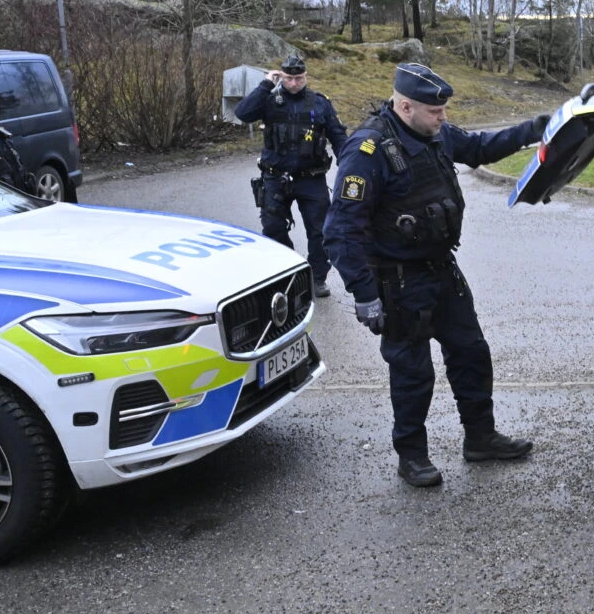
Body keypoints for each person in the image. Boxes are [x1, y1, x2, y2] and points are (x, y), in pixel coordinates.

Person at [323, 62, 550, 488]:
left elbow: (482, 147)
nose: (443, 118)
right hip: (398, 281)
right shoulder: (368, 151)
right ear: (405, 106)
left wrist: (540, 127)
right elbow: (340, 230)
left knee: (471, 354)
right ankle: (412, 456)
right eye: (435, 111)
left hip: (442, 269)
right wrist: (364, 293)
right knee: (413, 374)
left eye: (444, 111)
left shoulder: (432, 133)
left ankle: (480, 438)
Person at [234, 54, 348, 297]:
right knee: (273, 228)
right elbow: (242, 114)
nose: (294, 83)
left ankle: (317, 277)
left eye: (298, 78)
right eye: (288, 78)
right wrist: (265, 84)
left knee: (320, 231)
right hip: (275, 177)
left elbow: (338, 137)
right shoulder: (269, 99)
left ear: (305, 76)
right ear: (280, 76)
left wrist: (349, 168)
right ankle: (288, 273)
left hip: (311, 178)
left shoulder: (320, 103)